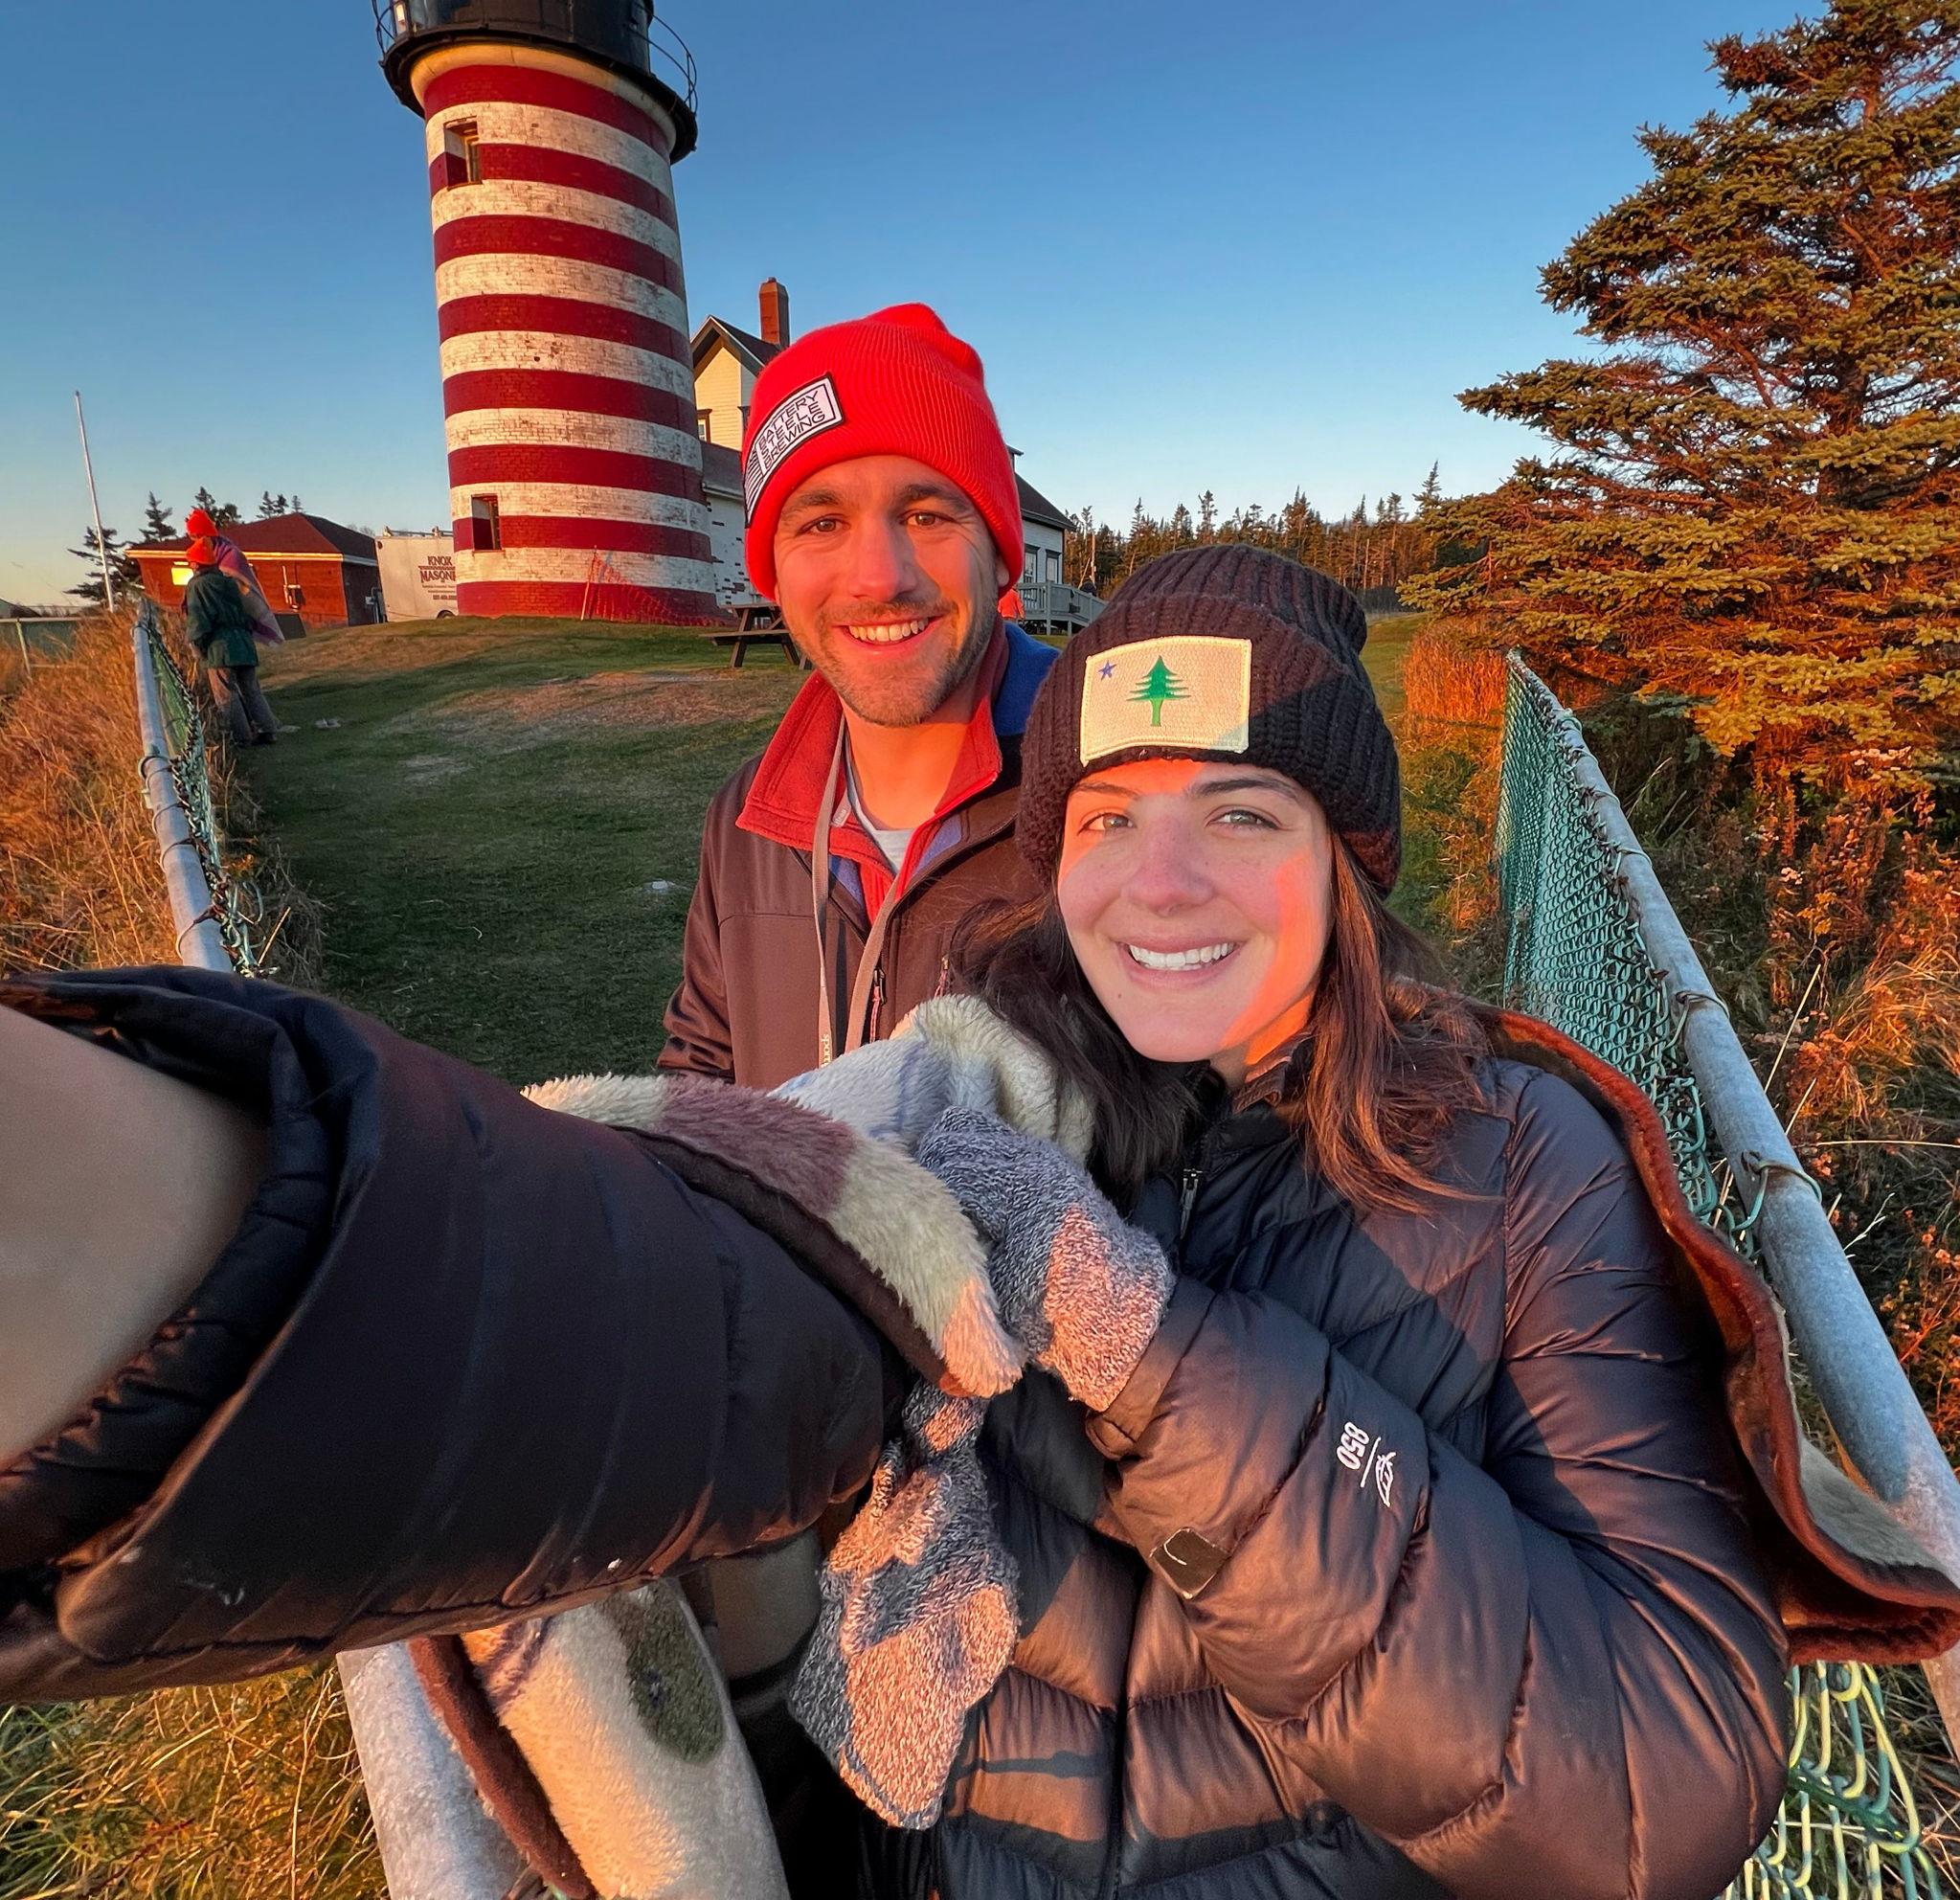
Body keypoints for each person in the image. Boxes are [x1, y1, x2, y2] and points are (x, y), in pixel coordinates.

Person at [3, 551, 1958, 1900]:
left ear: (1351, 869)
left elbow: (1664, 1786)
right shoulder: (959, 1106)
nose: (1160, 881)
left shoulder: (1523, 1162)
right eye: (1104, 818)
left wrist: (1159, 1361)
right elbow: (629, 1300)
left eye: (1244, 813)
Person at [658, 302, 1056, 1088]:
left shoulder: (1111, 794)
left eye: (926, 513)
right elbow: (704, 1070)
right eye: (821, 523)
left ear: (1001, 556)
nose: (879, 577)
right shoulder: (747, 822)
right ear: (772, 571)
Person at [183, 535, 279, 746]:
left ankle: (241, 737)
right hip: (244, 643)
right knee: (252, 690)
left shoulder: (197, 586)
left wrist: (196, 645)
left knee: (226, 695)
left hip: (220, 649)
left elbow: (198, 619)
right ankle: (267, 729)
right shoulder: (230, 582)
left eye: (190, 561)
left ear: (197, 563)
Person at [185, 506, 283, 646]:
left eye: (196, 536)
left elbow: (242, 592)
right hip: (223, 632)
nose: (195, 540)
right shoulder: (204, 557)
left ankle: (267, 636)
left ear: (206, 534)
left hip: (234, 625)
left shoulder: (231, 556)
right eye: (192, 537)